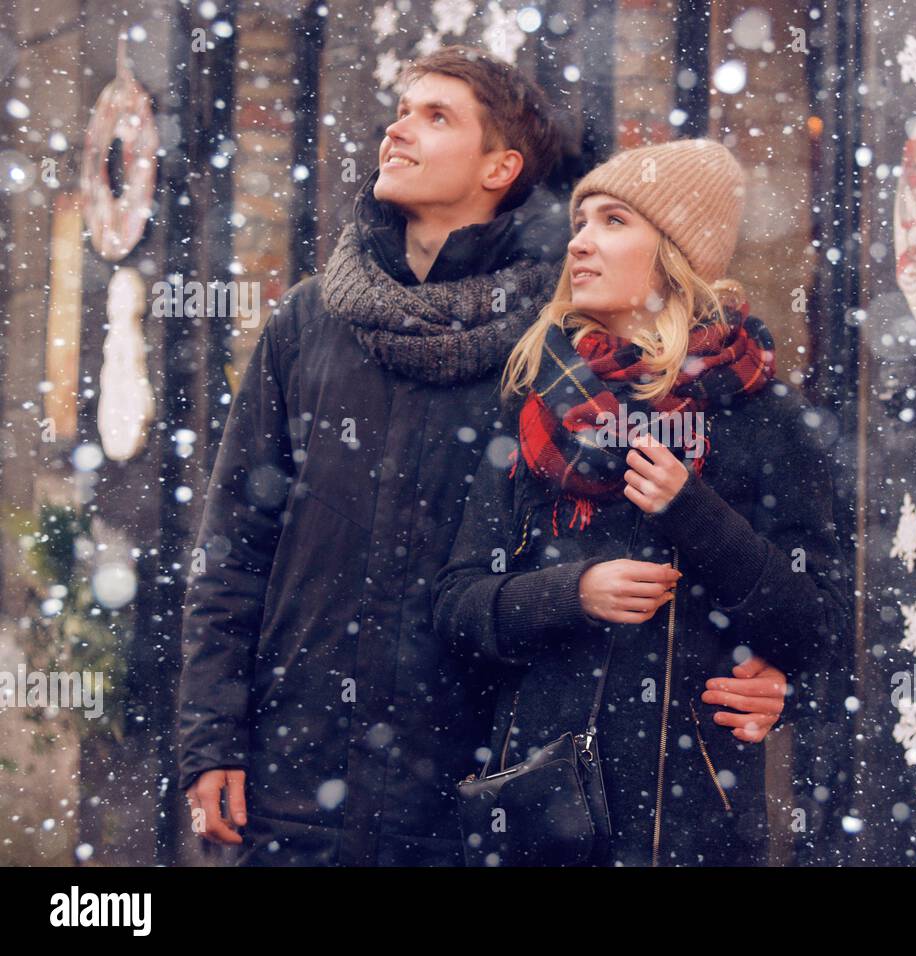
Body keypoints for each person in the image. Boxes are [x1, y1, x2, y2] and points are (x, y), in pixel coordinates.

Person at [176, 47, 788, 866]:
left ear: (502, 165)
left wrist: (767, 671)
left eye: (436, 115)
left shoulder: (562, 341)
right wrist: (212, 734)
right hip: (299, 765)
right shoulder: (306, 324)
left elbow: (697, 526)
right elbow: (234, 549)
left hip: (481, 776)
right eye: (402, 109)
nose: (399, 129)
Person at [432, 138, 850, 866]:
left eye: (613, 221)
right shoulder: (536, 406)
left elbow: (817, 628)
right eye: (581, 223)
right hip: (540, 815)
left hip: (688, 829)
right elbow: (456, 609)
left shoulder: (766, 419)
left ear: (675, 255)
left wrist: (694, 512)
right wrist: (574, 593)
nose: (582, 244)